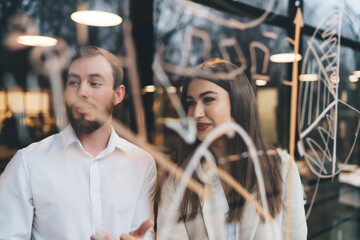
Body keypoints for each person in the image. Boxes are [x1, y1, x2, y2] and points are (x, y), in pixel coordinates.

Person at [0, 46, 157, 240]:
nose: (81, 92)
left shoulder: (141, 163)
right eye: (73, 82)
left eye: (94, 83)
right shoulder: (27, 163)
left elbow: (142, 233)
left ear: (118, 94)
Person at [156, 58, 307, 239]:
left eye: (208, 99)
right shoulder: (177, 174)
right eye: (190, 103)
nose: (196, 113)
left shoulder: (281, 168)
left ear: (237, 103)